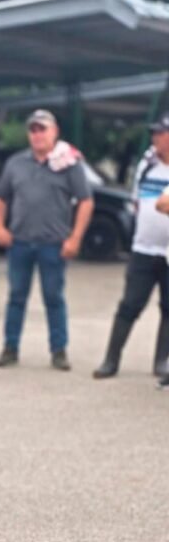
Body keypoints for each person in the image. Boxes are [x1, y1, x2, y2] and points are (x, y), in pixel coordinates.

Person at [0, 109, 94, 371]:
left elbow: (85, 200)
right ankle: (10, 347)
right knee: (16, 296)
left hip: (54, 244)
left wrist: (75, 238)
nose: (37, 134)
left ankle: (59, 351)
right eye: (33, 129)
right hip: (20, 242)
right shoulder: (16, 163)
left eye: (42, 129)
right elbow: (0, 197)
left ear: (55, 131)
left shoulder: (68, 163)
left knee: (54, 297)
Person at [94, 114, 169, 381]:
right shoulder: (146, 164)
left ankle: (162, 360)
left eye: (160, 133)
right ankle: (111, 359)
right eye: (154, 133)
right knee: (130, 304)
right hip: (144, 249)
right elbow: (138, 203)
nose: (155, 138)